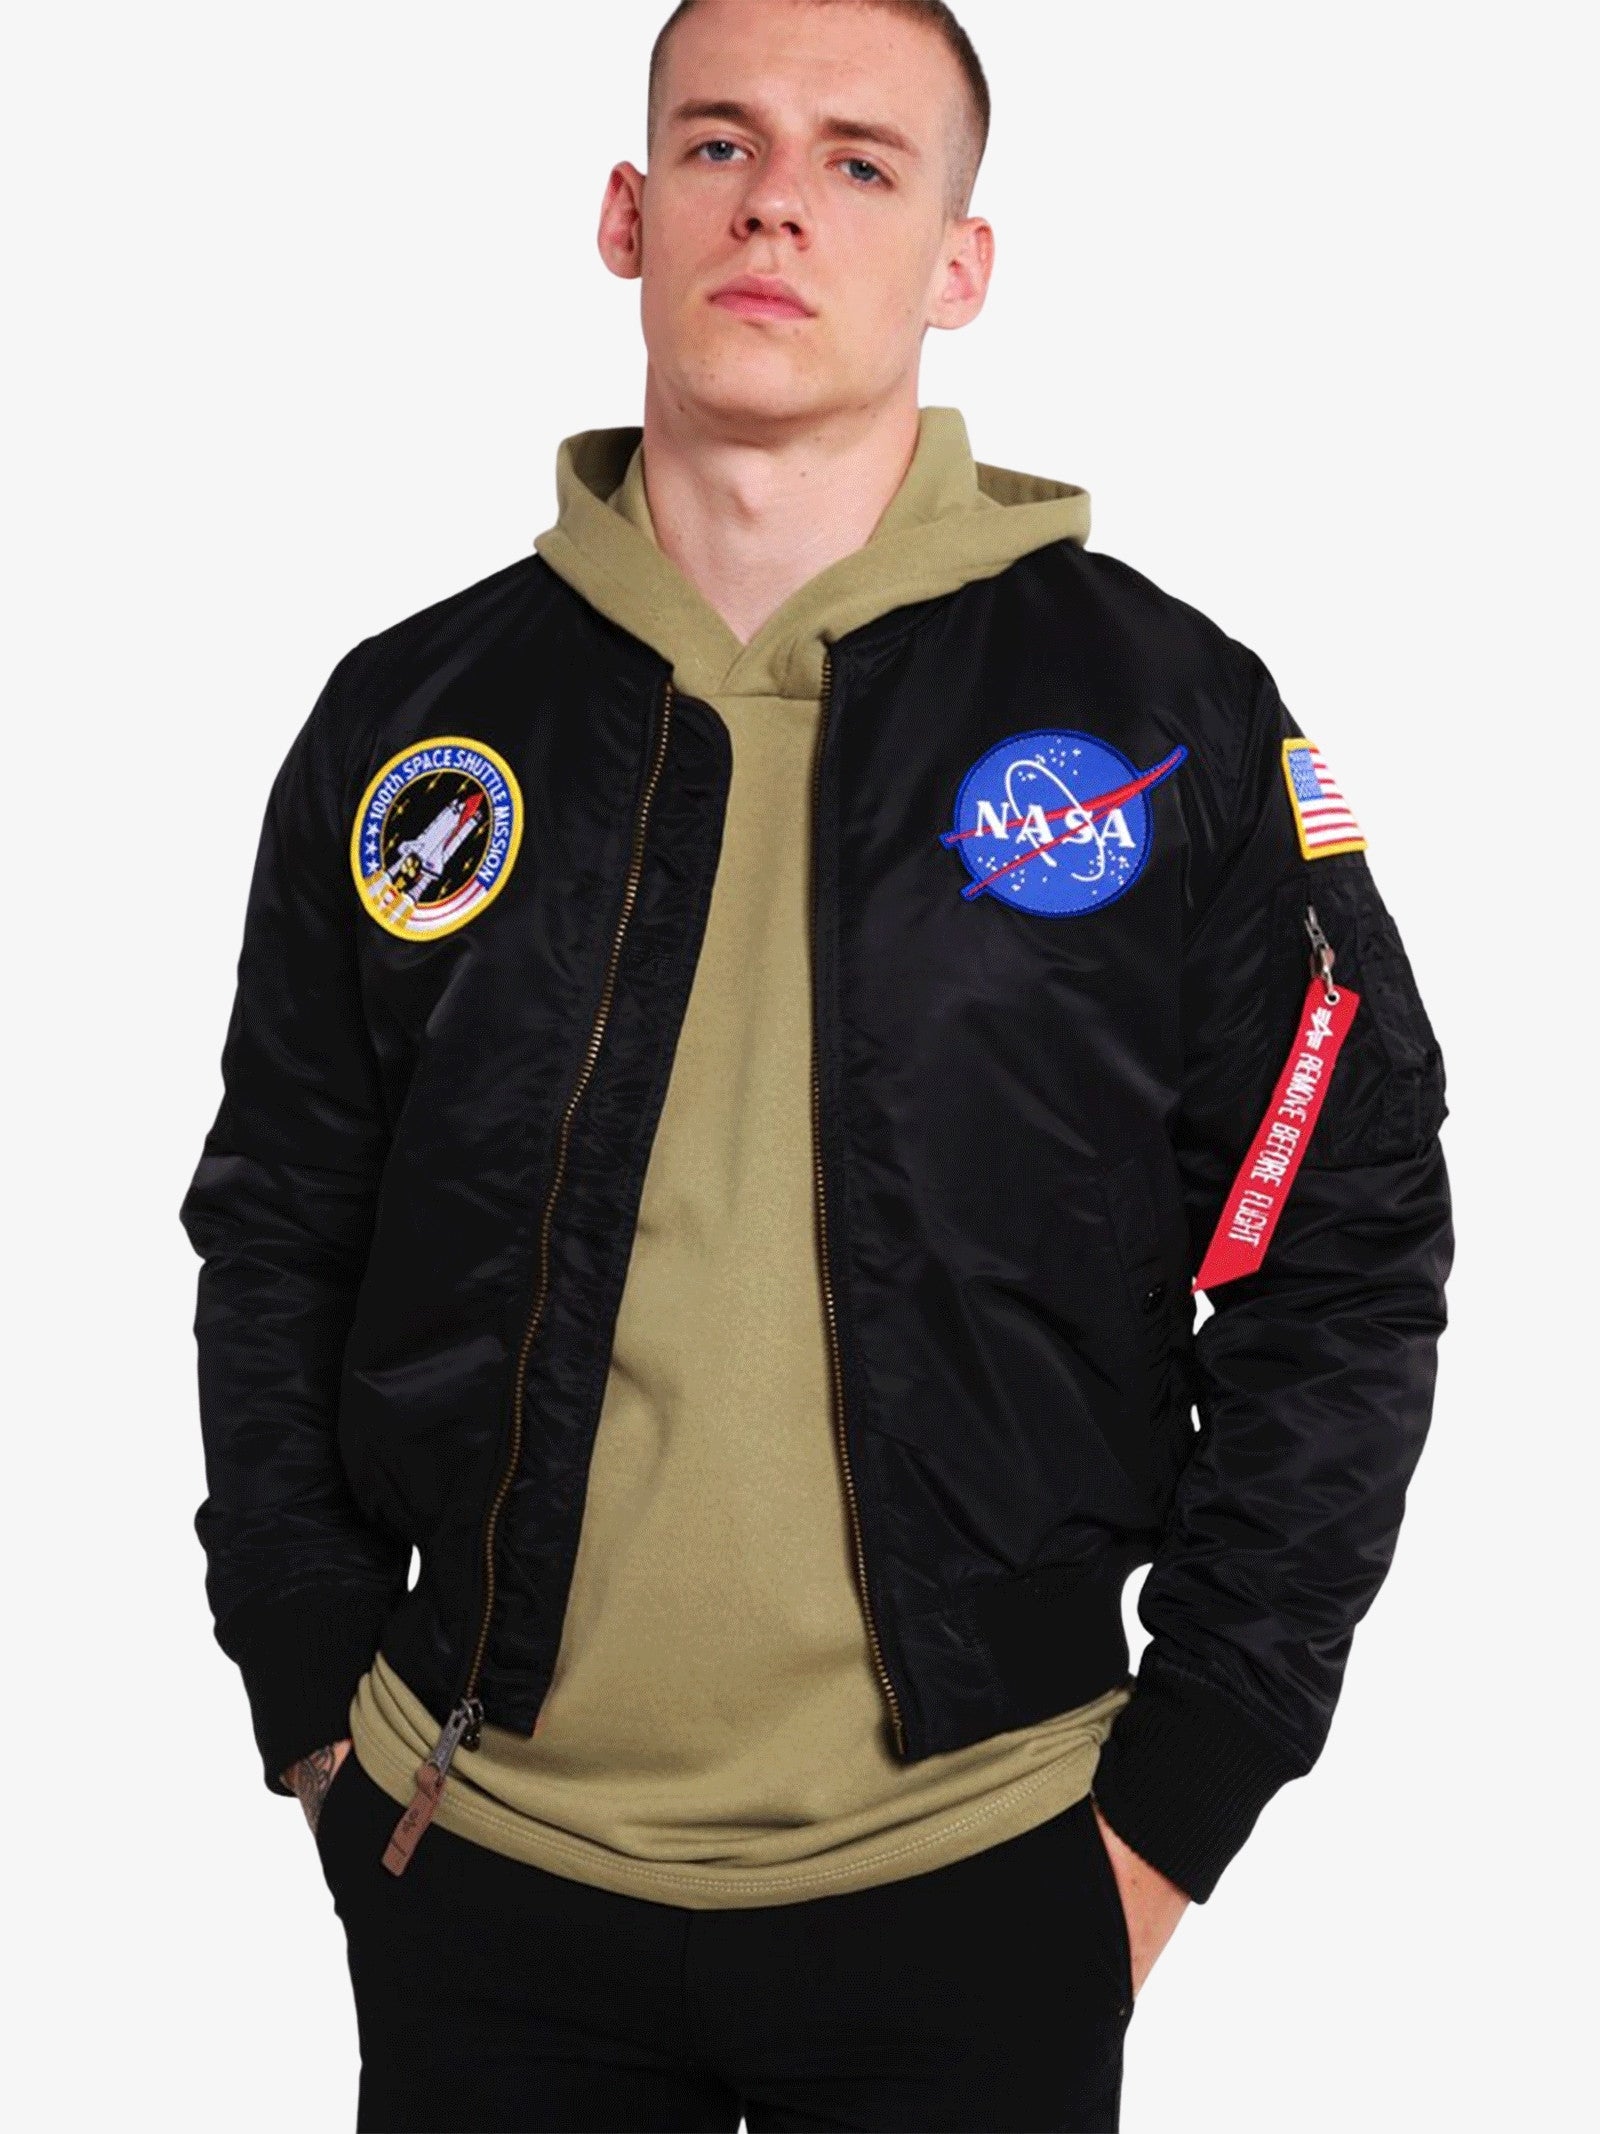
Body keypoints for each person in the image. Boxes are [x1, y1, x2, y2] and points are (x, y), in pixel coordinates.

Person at [178, 1, 1452, 2127]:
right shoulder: (413, 717)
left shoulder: (1168, 719)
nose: (777, 201)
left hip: (984, 1867)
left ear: (959, 261)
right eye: (719, 143)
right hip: (475, 1868)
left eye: (860, 161)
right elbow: (282, 1220)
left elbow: (1339, 1247)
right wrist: (312, 1682)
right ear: (627, 214)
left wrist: (1183, 1793)